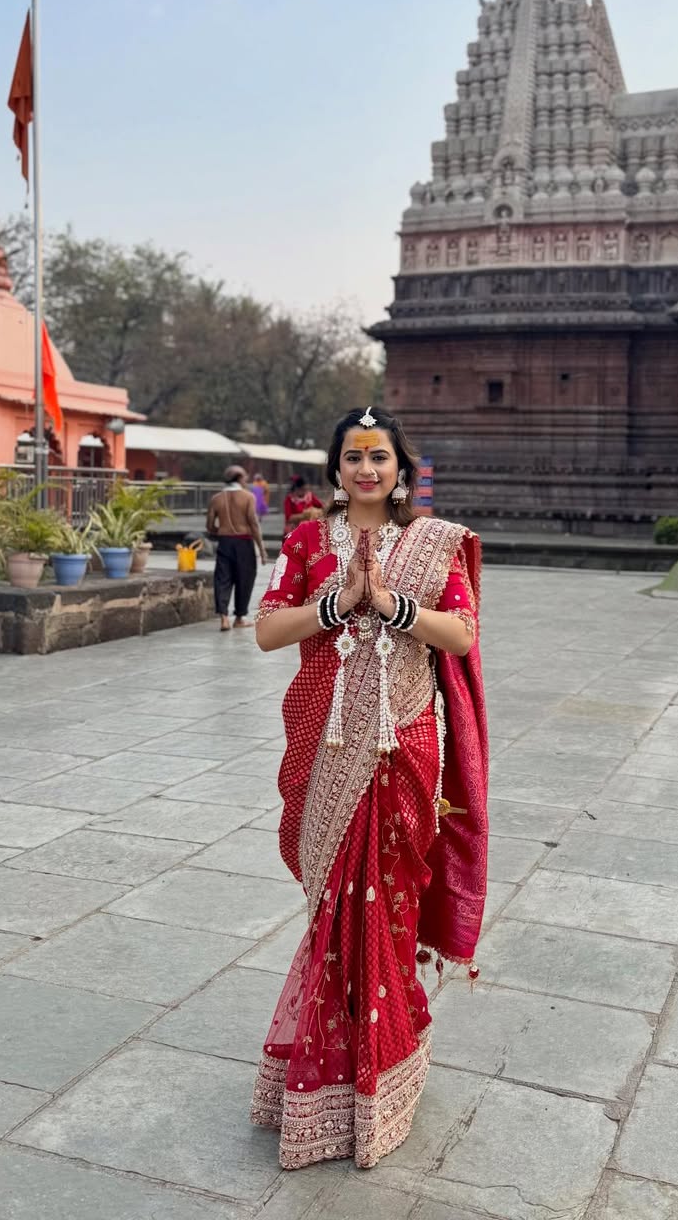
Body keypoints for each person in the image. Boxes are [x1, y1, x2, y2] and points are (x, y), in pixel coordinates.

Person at [250, 406, 488, 1170]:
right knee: (334, 909)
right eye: (353, 458)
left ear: (400, 469)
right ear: (336, 468)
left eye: (378, 457)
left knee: (383, 904)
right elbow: (265, 629)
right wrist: (337, 605)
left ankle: (382, 1067)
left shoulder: (436, 543)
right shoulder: (305, 540)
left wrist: (391, 606)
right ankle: (335, 1071)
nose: (365, 470)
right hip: (327, 745)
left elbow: (462, 634)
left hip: (404, 746)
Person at [206, 466, 268, 631]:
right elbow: (254, 524)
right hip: (244, 543)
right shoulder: (248, 497)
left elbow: (210, 525)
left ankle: (224, 618)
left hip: (224, 542)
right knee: (244, 579)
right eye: (245, 478)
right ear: (240, 479)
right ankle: (239, 617)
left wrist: (221, 532)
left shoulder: (216, 498)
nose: (246, 481)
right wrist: (261, 549)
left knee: (222, 579)